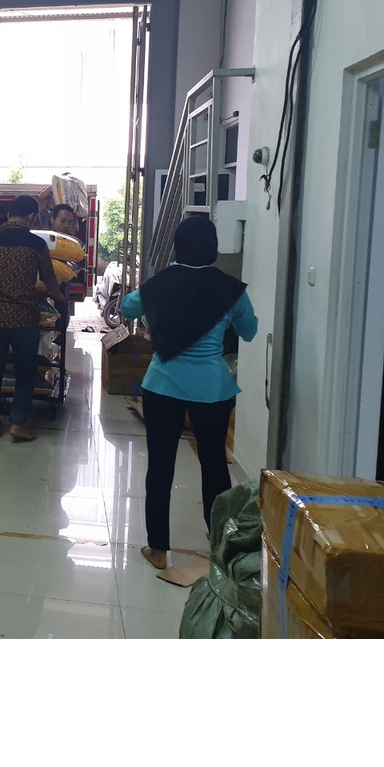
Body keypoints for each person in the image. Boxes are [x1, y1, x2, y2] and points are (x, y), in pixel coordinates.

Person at [119, 216, 258, 570]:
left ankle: (158, 550)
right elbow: (250, 330)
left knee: (160, 465)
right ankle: (218, 539)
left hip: (162, 386)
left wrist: (162, 291)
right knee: (214, 463)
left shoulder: (161, 283)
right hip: (212, 389)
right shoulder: (230, 289)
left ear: (177, 246)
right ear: (214, 248)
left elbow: (127, 307)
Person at [0, 194, 64, 442]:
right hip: (24, 318)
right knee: (25, 370)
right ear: (32, 216)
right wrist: (59, 298)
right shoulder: (36, 244)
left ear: (9, 214)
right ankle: (18, 423)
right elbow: (49, 278)